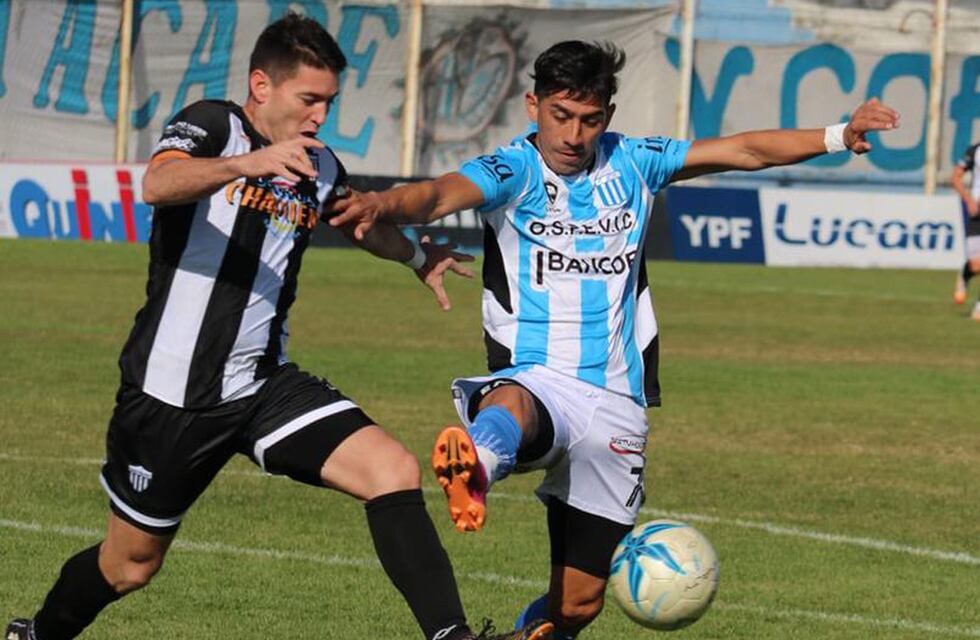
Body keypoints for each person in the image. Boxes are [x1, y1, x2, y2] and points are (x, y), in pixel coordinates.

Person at [4, 14, 554, 640]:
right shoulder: (215, 124)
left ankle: (452, 637)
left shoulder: (316, 165)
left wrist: (416, 257)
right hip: (172, 394)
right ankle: (41, 634)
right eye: (309, 99)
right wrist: (251, 163)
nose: (320, 116)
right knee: (129, 566)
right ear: (262, 86)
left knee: (392, 470)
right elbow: (159, 182)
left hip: (264, 385)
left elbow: (356, 221)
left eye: (329, 102)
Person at [327, 40, 900, 639]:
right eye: (561, 116)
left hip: (618, 405)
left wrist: (839, 134)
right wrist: (383, 203)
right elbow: (439, 194)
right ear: (533, 106)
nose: (574, 134)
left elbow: (744, 150)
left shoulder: (635, 161)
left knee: (576, 607)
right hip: (538, 376)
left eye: (590, 119)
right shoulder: (512, 169)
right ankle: (477, 463)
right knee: (515, 404)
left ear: (608, 116)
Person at [951, 141, 980, 320]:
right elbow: (956, 177)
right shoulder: (975, 150)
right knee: (976, 265)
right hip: (977, 211)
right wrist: (968, 201)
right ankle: (965, 273)